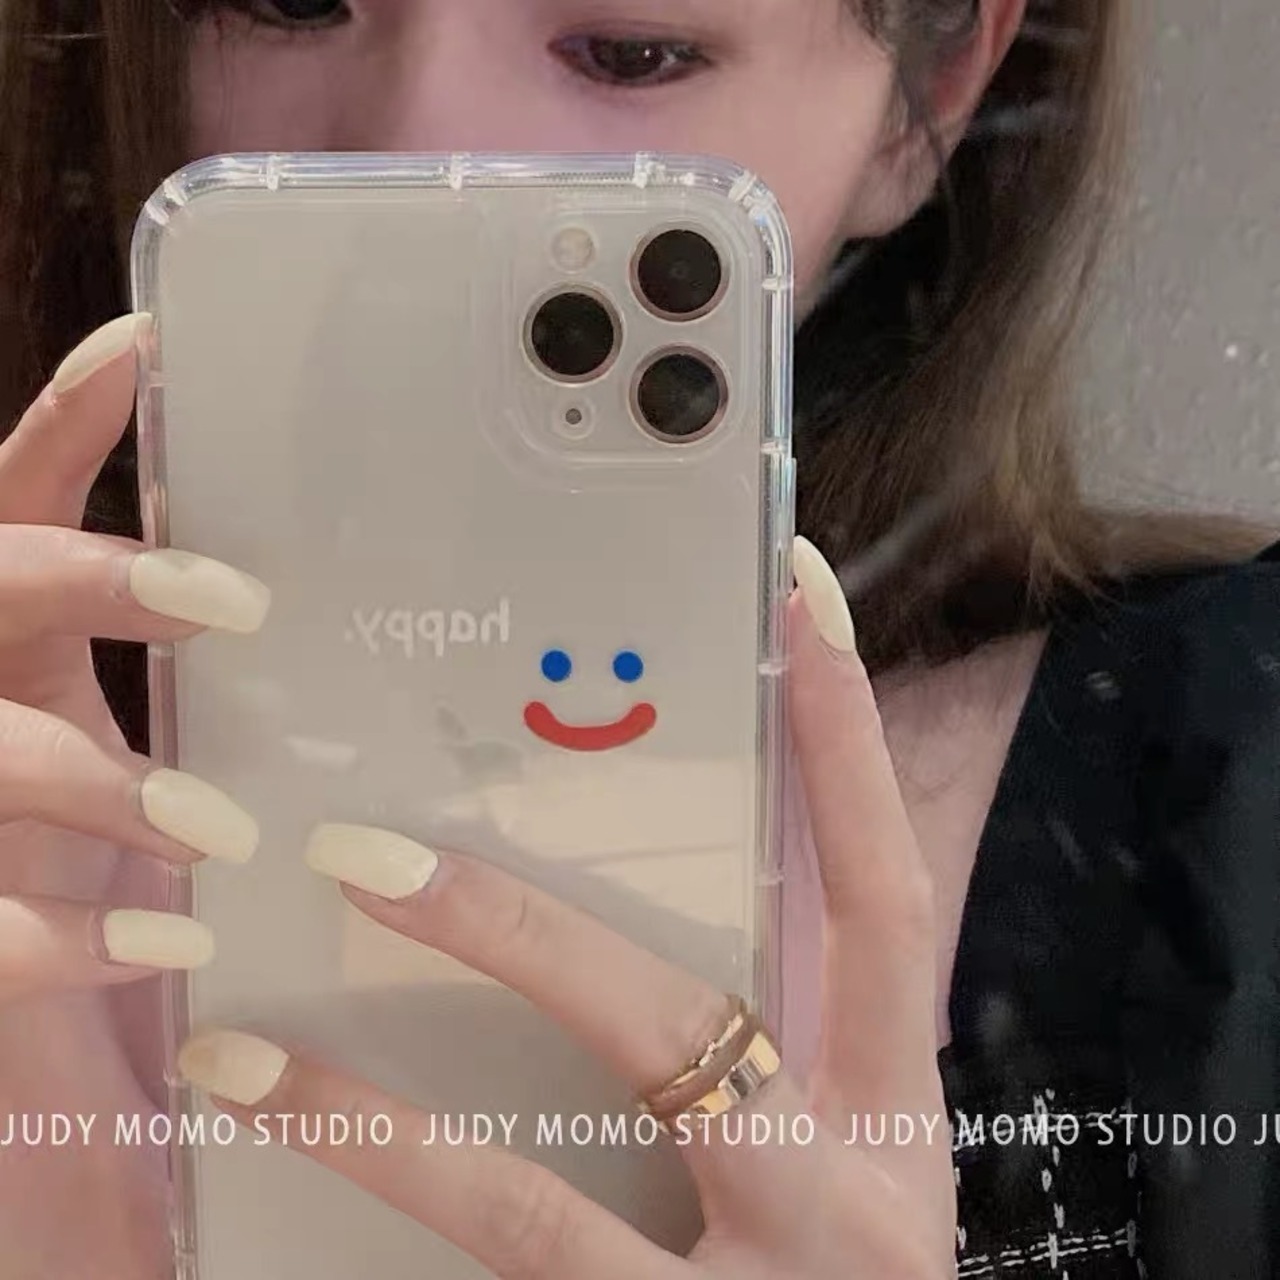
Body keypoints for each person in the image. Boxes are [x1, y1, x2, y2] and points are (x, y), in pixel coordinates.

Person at [0, 1, 1276, 1276]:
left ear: (923, 90)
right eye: (288, 3)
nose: (412, 148)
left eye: (628, 54)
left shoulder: (1232, 804)